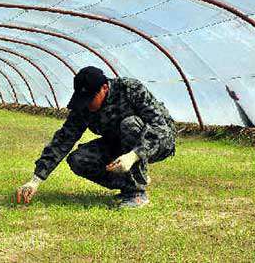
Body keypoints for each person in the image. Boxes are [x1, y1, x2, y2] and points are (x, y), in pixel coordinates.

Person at [16, 66, 176, 208]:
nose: (88, 104)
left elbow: (160, 127)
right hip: (118, 143)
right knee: (78, 159)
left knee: (130, 125)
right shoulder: (84, 107)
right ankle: (129, 184)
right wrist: (36, 180)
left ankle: (137, 193)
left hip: (159, 142)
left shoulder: (130, 89)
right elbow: (64, 139)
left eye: (91, 98)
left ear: (105, 88)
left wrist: (134, 155)